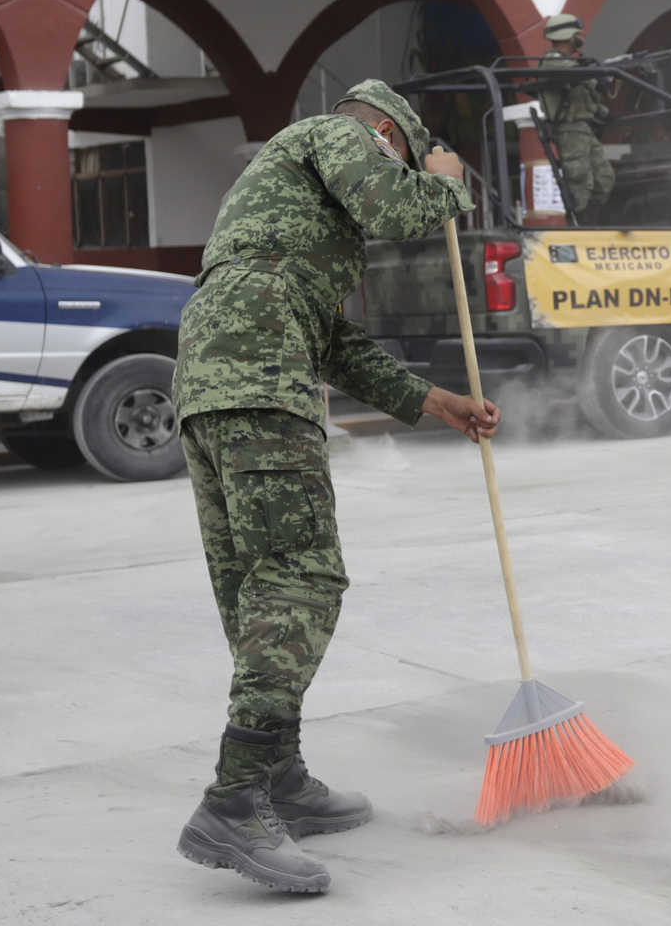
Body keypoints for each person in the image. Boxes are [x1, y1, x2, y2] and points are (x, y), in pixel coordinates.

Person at [173, 80, 502, 894]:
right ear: (389, 130)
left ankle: (280, 777)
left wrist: (433, 402)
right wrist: (449, 176)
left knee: (256, 592)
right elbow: (397, 208)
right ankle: (234, 798)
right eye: (405, 151)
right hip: (259, 382)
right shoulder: (340, 134)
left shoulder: (290, 209)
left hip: (215, 386)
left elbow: (333, 337)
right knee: (301, 578)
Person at [535, 14, 615, 223]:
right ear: (567, 36)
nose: (580, 38)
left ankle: (586, 218)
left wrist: (607, 114)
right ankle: (578, 223)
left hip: (583, 129)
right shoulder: (552, 62)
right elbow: (575, 74)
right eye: (577, 35)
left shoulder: (573, 64)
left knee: (604, 178)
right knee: (580, 182)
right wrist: (594, 75)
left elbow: (584, 100)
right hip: (570, 131)